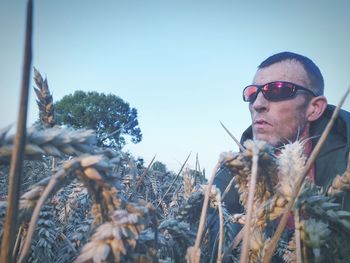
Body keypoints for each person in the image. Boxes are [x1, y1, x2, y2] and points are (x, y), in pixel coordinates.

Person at [214, 51, 350, 214]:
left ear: (314, 108)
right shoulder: (228, 178)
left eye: (277, 90)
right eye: (252, 94)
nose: (257, 104)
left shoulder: (344, 167)